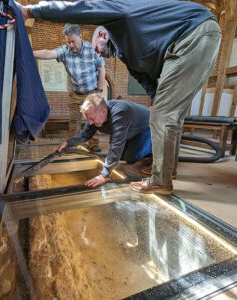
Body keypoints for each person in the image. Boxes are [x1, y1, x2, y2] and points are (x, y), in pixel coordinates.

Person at [18, 0, 221, 194]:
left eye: (96, 47)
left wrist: (31, 11)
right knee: (171, 118)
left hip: (192, 35)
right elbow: (145, 80)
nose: (98, 54)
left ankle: (160, 181)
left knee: (161, 117)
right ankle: (168, 170)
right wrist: (155, 98)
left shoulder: (117, 15)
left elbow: (81, 7)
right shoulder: (124, 53)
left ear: (103, 34)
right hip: (190, 41)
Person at [34, 23, 105, 151]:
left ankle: (94, 146)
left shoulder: (92, 49)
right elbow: (49, 53)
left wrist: (99, 91)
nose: (71, 45)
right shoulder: (65, 50)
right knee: (74, 122)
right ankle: (73, 146)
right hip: (76, 93)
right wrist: (30, 53)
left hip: (92, 92)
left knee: (93, 120)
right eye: (68, 42)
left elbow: (101, 70)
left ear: (80, 37)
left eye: (73, 41)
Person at [56, 93, 152, 187]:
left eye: (92, 118)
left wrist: (104, 175)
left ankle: (153, 152)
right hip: (130, 131)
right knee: (121, 157)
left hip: (148, 128)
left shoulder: (119, 112)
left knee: (130, 158)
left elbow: (116, 145)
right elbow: (84, 135)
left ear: (103, 111)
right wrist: (68, 143)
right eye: (88, 118)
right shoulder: (93, 114)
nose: (90, 122)